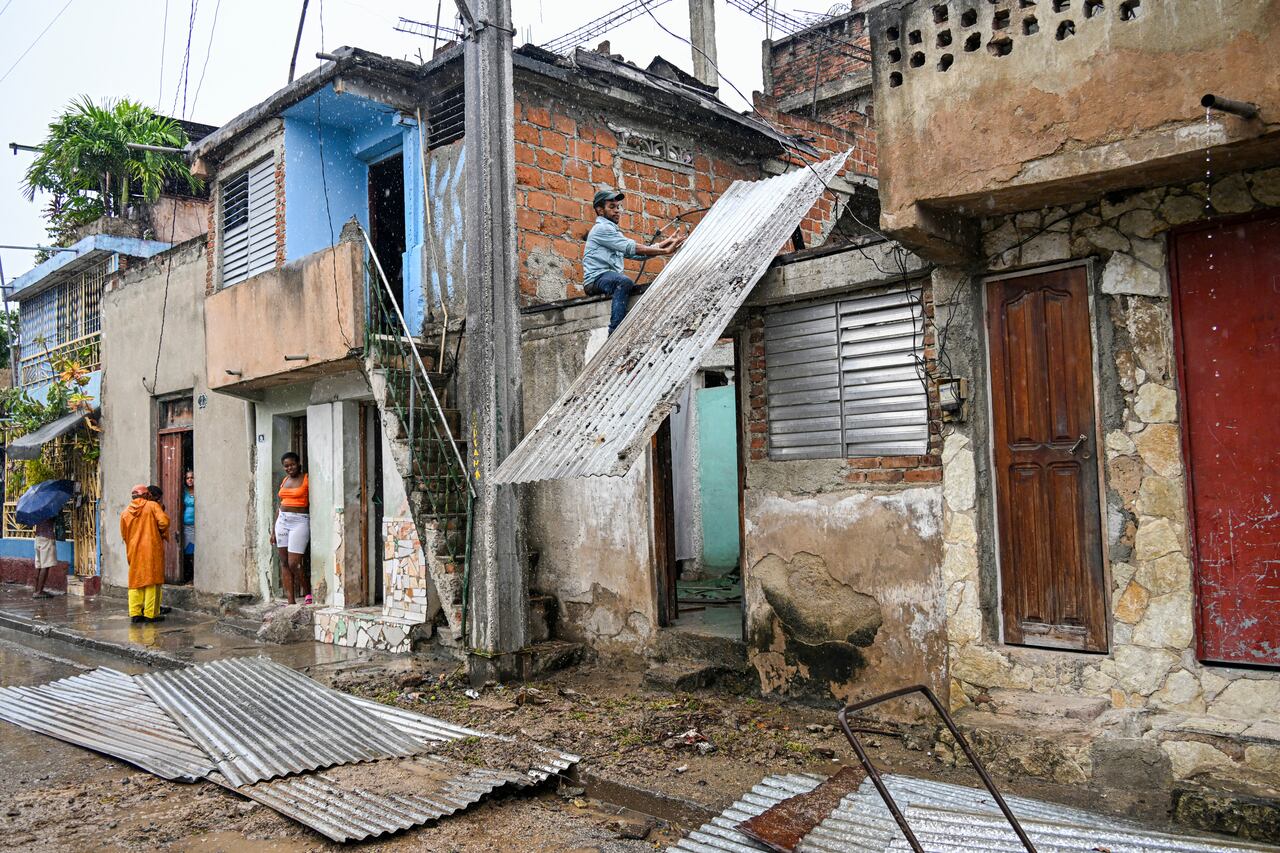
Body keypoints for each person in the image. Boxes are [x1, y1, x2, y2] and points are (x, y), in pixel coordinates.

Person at [582, 189, 685, 334]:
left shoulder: (613, 231)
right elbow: (633, 248)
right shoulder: (602, 229)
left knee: (627, 284)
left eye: (618, 207)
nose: (617, 211)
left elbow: (637, 254)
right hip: (595, 280)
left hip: (607, 277)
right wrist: (664, 251)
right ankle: (615, 332)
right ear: (600, 210)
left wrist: (666, 243)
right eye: (612, 207)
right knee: (623, 282)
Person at [120, 484, 169, 623]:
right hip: (151, 549)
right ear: (146, 495)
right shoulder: (152, 506)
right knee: (152, 581)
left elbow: (124, 534)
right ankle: (150, 614)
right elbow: (164, 522)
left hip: (134, 550)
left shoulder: (125, 512)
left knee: (136, 581)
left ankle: (135, 613)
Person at [270, 452, 312, 605]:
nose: (289, 468)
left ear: (299, 463)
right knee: (284, 562)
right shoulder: (285, 480)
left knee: (294, 562)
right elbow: (280, 506)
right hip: (282, 521)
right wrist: (273, 531)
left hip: (300, 522)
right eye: (286, 466)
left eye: (292, 464)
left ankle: (308, 593)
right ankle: (290, 601)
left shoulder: (307, 479)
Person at [31, 516, 56, 599]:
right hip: (46, 538)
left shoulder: (37, 511)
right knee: (45, 566)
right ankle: (39, 591)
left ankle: (36, 590)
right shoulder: (50, 510)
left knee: (39, 566)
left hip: (38, 537)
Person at [181, 469, 195, 580]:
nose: (190, 480)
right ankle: (188, 575)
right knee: (187, 551)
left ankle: (195, 575)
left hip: (197, 526)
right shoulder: (183, 491)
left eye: (192, 477)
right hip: (186, 525)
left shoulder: (199, 490)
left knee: (195, 551)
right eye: (187, 478)